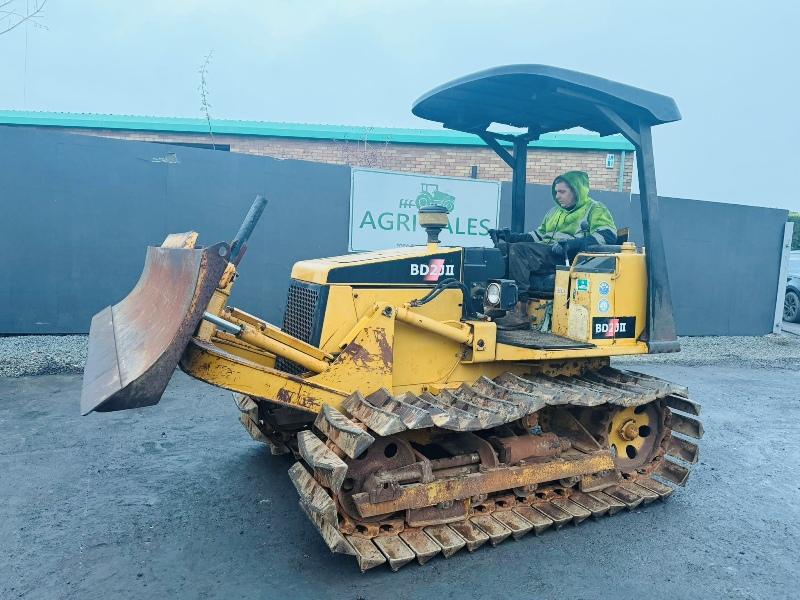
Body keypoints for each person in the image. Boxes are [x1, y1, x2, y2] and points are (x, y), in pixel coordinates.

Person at [488, 171, 617, 329]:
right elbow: (537, 236)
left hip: (568, 257)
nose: (557, 196)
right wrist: (509, 237)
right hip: (548, 253)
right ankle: (500, 306)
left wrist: (573, 244)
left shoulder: (595, 209)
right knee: (503, 249)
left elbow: (608, 235)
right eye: (556, 192)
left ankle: (519, 313)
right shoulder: (554, 212)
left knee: (519, 251)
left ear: (577, 191)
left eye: (562, 192)